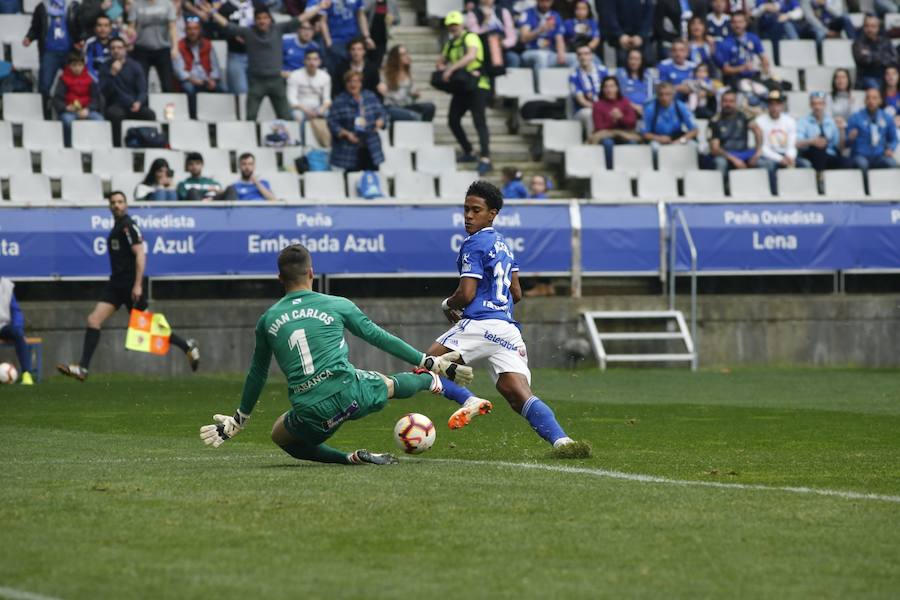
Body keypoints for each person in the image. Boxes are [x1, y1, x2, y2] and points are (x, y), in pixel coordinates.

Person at [198, 243, 474, 465]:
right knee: (388, 382)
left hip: (312, 412)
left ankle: (349, 458)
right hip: (351, 394)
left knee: (280, 435)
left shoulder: (267, 320)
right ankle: (434, 381)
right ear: (311, 273)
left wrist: (239, 420)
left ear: (280, 278)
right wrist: (427, 360)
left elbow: (257, 373)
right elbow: (378, 337)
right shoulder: (337, 304)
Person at [426, 181, 591, 457]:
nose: (468, 215)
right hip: (506, 330)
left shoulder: (473, 244)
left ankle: (469, 399)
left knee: (424, 366)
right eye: (466, 209)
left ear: (492, 213)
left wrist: (447, 304)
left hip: (480, 324)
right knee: (517, 394)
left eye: (475, 210)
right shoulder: (503, 244)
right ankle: (563, 442)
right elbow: (516, 292)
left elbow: (465, 294)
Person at [57, 191, 200, 382]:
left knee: (152, 327)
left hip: (130, 287)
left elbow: (140, 254)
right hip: (116, 285)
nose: (116, 205)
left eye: (120, 202)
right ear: (109, 206)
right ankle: (82, 368)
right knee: (93, 320)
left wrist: (138, 285)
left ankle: (187, 346)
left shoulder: (128, 226)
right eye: (113, 202)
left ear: (126, 205)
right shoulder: (117, 227)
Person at [207, 4, 298, 120]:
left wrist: (319, 8)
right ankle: (250, 137)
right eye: (259, 18)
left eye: (265, 18)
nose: (262, 21)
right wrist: (213, 13)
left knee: (286, 116)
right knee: (250, 116)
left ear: (270, 19)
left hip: (276, 80)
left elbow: (299, 20)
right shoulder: (249, 32)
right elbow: (228, 26)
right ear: (254, 20)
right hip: (257, 81)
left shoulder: (278, 29)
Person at [436, 11, 492, 175]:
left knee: (479, 120)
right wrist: (441, 66)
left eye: (455, 24)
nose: (453, 27)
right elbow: (441, 60)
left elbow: (471, 55)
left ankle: (485, 157)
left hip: (477, 84)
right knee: (453, 120)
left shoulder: (470, 37)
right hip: (462, 87)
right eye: (450, 25)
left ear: (462, 24)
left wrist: (451, 69)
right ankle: (468, 151)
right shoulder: (451, 43)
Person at [99, 36, 157, 146]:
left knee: (149, 114)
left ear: (125, 49)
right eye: (113, 48)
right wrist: (112, 74)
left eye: (119, 48)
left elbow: (143, 89)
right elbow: (104, 91)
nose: (116, 50)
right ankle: (117, 146)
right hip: (116, 104)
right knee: (115, 115)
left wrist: (139, 102)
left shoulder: (135, 66)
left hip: (134, 104)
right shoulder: (105, 67)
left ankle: (146, 143)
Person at [753, 89, 811, 194]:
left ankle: (805, 195)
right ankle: (774, 195)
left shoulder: (790, 121)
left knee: (806, 164)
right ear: (767, 106)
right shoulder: (760, 121)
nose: (775, 108)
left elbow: (792, 145)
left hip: (786, 154)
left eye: (777, 104)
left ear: (782, 106)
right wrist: (780, 159)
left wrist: (790, 157)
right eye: (771, 104)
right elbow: (763, 148)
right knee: (769, 165)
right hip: (769, 156)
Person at [23, 0, 81, 104]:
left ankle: (71, 109)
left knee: (75, 84)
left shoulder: (73, 6)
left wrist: (81, 39)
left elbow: (80, 25)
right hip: (49, 53)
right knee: (44, 85)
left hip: (69, 53)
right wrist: (29, 37)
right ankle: (45, 112)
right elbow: (35, 27)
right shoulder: (42, 7)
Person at [328, 71, 386, 171]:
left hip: (370, 145)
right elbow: (332, 123)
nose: (353, 84)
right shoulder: (339, 101)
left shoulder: (370, 96)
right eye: (349, 81)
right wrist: (346, 134)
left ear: (361, 83)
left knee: (371, 179)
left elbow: (383, 113)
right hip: (349, 148)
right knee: (352, 179)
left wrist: (381, 120)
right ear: (345, 84)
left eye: (356, 81)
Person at [706, 89, 761, 186]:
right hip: (725, 154)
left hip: (743, 152)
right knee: (720, 163)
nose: (728, 104)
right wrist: (734, 159)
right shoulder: (715, 121)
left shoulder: (743, 116)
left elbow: (758, 131)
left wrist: (758, 151)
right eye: (725, 101)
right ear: (721, 102)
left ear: (735, 103)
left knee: (764, 163)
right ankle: (721, 191)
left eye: (731, 101)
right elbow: (715, 148)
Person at [714, 11, 769, 101]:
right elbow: (725, 70)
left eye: (740, 22)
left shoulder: (753, 38)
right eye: (735, 22)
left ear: (746, 23)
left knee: (769, 92)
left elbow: (763, 58)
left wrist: (765, 69)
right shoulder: (725, 43)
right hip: (735, 79)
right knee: (748, 92)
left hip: (754, 77)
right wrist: (742, 68)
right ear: (731, 24)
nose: (737, 25)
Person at [53, 52, 105, 148]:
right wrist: (66, 108)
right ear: (69, 66)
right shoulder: (63, 80)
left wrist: (88, 109)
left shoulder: (90, 79)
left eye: (80, 65)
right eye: (74, 65)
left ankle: (96, 146)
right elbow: (57, 99)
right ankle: (68, 146)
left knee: (100, 120)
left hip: (87, 110)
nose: (77, 68)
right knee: (67, 121)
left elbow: (95, 99)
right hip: (70, 111)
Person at [302, 0, 372, 70]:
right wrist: (328, 40)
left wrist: (367, 36)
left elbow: (361, 15)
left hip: (353, 38)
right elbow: (323, 21)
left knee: (354, 67)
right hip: (335, 39)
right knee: (336, 68)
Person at [125, 0, 179, 92]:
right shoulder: (136, 5)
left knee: (167, 84)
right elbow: (131, 26)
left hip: (163, 48)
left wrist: (175, 47)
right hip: (142, 48)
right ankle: (143, 106)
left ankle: (168, 106)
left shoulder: (167, 4)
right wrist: (130, 37)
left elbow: (172, 27)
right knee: (142, 84)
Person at [174, 15, 221, 119]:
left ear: (200, 30)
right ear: (185, 31)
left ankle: (217, 119)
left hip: (206, 79)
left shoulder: (208, 44)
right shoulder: (179, 45)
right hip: (189, 80)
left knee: (223, 89)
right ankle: (193, 117)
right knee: (189, 88)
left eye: (195, 28)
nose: (193, 32)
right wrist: (193, 80)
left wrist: (213, 79)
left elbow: (215, 67)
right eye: (189, 29)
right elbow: (179, 71)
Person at [589, 75, 640, 169]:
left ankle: (629, 169)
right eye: (606, 87)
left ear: (617, 88)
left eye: (612, 86)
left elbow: (632, 123)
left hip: (624, 134)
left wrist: (620, 118)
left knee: (633, 143)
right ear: (602, 90)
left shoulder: (625, 102)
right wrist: (614, 121)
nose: (609, 90)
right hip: (605, 135)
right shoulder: (598, 105)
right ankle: (610, 170)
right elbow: (599, 126)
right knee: (608, 143)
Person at [847, 87, 898, 179]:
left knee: (891, 163)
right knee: (862, 164)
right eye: (868, 98)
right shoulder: (855, 117)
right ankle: (866, 191)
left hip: (880, 155)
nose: (871, 101)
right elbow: (846, 143)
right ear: (865, 101)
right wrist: (850, 138)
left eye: (874, 98)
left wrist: (890, 148)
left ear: (880, 100)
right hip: (861, 155)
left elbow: (894, 139)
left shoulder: (887, 118)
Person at [377, 45, 435, 122]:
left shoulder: (409, 72)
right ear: (396, 58)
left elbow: (410, 96)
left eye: (407, 53)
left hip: (407, 106)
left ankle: (421, 123)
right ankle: (419, 121)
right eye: (403, 55)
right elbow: (387, 95)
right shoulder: (386, 73)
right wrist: (383, 89)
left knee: (430, 107)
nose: (407, 56)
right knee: (408, 115)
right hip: (393, 107)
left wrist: (414, 95)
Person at [286, 49, 332, 146]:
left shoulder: (325, 76)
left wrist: (320, 110)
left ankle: (328, 145)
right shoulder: (295, 75)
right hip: (300, 107)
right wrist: (307, 110)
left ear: (319, 62)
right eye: (309, 59)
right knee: (298, 116)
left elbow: (327, 99)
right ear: (304, 61)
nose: (312, 62)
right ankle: (302, 144)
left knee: (330, 116)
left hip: (318, 108)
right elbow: (292, 99)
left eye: (315, 59)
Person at [796, 91, 845, 182]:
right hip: (811, 153)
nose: (817, 107)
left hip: (829, 154)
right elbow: (797, 142)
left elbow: (839, 147)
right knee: (819, 149)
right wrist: (812, 141)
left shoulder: (831, 122)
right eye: (814, 104)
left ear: (824, 105)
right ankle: (820, 180)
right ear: (810, 105)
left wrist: (841, 130)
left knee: (846, 161)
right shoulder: (803, 122)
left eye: (820, 104)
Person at [518, 0, 573, 76]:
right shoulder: (528, 13)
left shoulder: (555, 15)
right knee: (541, 57)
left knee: (574, 59)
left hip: (550, 53)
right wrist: (541, 29)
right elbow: (523, 38)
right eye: (543, 1)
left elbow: (559, 38)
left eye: (548, 1)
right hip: (530, 52)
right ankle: (543, 87)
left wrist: (561, 53)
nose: (545, 4)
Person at [641, 81, 699, 152]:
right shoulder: (650, 109)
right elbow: (645, 133)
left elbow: (694, 130)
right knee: (654, 148)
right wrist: (659, 138)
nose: (664, 98)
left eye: (667, 94)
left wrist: (680, 141)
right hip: (657, 138)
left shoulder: (681, 106)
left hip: (677, 138)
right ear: (657, 95)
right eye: (661, 94)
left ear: (673, 94)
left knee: (693, 145)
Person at [464, 0, 521, 68]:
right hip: (483, 49)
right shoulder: (472, 14)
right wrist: (486, 20)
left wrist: (503, 43)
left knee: (513, 58)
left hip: (502, 49)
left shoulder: (503, 12)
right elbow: (473, 35)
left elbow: (512, 36)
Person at [569, 43, 609, 135]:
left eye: (586, 53)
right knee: (590, 113)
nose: (583, 57)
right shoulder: (574, 76)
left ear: (591, 56)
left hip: (604, 105)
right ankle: (593, 142)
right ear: (577, 57)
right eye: (580, 54)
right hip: (583, 110)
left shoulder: (603, 71)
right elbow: (581, 100)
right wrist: (599, 108)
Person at [0, 278, 34, 386]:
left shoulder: (6, 285)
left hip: (2, 326)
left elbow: (16, 310)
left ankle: (26, 374)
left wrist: (18, 328)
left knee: (18, 334)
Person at [600, 0, 654, 66]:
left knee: (648, 60)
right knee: (622, 60)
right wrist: (620, 34)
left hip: (641, 36)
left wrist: (641, 35)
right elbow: (610, 14)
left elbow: (649, 15)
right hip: (620, 37)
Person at [852, 14, 898, 91]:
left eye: (873, 26)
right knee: (874, 85)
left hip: (885, 78)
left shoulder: (885, 41)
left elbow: (894, 59)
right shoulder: (858, 43)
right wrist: (883, 56)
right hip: (865, 79)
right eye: (867, 26)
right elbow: (864, 60)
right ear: (863, 27)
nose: (870, 29)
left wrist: (871, 54)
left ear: (878, 27)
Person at [616, 47, 653, 117]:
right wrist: (635, 107)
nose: (633, 62)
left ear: (642, 61)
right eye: (631, 59)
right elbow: (619, 96)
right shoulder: (620, 73)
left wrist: (644, 107)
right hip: (626, 108)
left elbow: (651, 95)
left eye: (637, 59)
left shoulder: (648, 74)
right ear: (627, 60)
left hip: (645, 109)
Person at [363, 0, 399, 68]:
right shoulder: (369, 2)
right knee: (366, 60)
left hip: (382, 38)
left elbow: (398, 19)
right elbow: (362, 14)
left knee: (378, 62)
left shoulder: (392, 3)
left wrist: (392, 19)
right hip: (368, 37)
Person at [84, 14, 115, 81]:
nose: (102, 29)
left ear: (110, 28)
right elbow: (88, 67)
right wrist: (97, 81)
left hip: (113, 81)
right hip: (94, 81)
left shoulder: (115, 43)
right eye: (99, 25)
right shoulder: (90, 43)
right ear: (95, 28)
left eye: (106, 25)